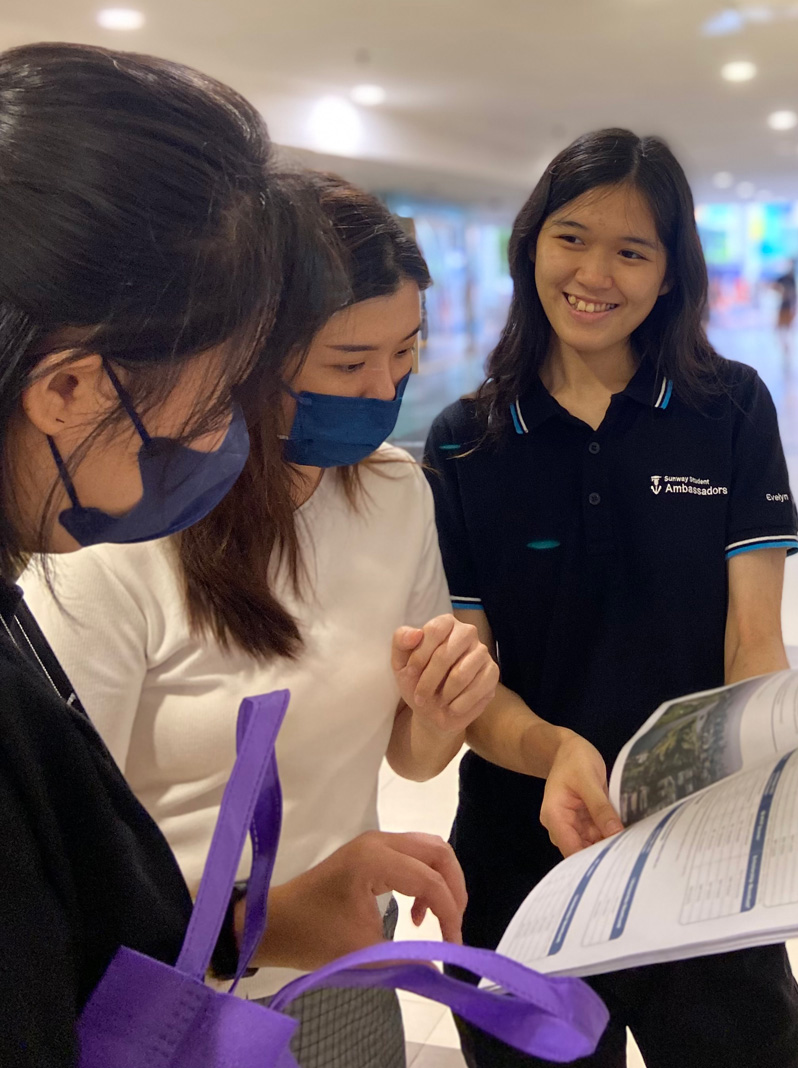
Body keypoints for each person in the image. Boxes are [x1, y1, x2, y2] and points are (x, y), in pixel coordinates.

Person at [0, 43, 464, 1067]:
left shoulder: (392, 495)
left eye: (407, 358)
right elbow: (71, 928)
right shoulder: (99, 554)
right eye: (213, 396)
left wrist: (279, 921)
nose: (213, 439)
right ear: (67, 389)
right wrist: (253, 927)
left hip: (317, 963)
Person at [424, 128, 798, 1068]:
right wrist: (559, 751)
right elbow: (470, 687)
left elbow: (753, 642)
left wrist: (767, 777)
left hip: (702, 851)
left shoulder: (730, 408)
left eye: (632, 250)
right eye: (571, 237)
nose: (595, 273)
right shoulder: (468, 440)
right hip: (525, 863)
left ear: (671, 273)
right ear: (530, 246)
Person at [773, 259, 798, 360]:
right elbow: (774, 286)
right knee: (779, 331)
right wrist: (781, 291)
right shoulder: (783, 278)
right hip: (783, 307)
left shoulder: (793, 279)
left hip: (789, 308)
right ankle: (785, 347)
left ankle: (787, 349)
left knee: (788, 331)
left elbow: (795, 295)